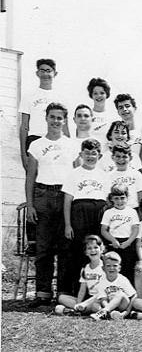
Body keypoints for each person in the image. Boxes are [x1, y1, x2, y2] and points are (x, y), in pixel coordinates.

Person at [24, 102, 73, 307]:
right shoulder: (36, 145)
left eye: (59, 118)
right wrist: (30, 204)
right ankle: (43, 292)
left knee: (64, 246)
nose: (55, 121)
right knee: (43, 247)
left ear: (64, 120)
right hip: (43, 195)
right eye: (52, 117)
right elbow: (30, 176)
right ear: (46, 118)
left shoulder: (72, 144)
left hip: (64, 195)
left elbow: (77, 174)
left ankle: (63, 291)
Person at [63, 138, 110, 296]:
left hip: (98, 213)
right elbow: (68, 200)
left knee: (97, 250)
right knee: (79, 251)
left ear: (100, 156)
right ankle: (76, 292)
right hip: (79, 212)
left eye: (94, 153)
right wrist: (68, 225)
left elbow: (108, 200)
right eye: (87, 153)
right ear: (81, 154)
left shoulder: (104, 175)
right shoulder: (74, 174)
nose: (90, 156)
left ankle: (96, 291)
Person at [54, 235, 105, 316]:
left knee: (96, 307)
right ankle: (78, 310)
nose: (93, 250)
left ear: (102, 249)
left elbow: (104, 291)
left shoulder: (105, 267)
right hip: (88, 298)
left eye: (96, 247)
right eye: (89, 248)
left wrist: (84, 304)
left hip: (101, 299)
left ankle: (72, 311)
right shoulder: (85, 268)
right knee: (61, 298)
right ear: (86, 252)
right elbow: (82, 289)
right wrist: (78, 304)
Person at [100, 184, 140, 284]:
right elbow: (104, 230)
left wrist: (128, 242)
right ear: (111, 199)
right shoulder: (108, 212)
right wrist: (113, 240)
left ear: (127, 197)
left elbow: (135, 229)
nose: (119, 201)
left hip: (128, 242)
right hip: (114, 243)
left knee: (128, 269)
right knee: (113, 267)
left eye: (122, 198)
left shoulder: (132, 212)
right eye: (116, 198)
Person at [90, 251, 137, 321]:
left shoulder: (122, 279)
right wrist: (109, 308)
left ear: (119, 268)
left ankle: (104, 312)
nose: (111, 268)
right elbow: (103, 299)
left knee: (120, 294)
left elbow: (134, 295)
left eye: (115, 266)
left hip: (122, 304)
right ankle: (111, 314)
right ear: (103, 268)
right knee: (94, 306)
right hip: (109, 304)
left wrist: (127, 311)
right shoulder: (102, 281)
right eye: (108, 266)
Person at [87, 77, 116, 144]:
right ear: (91, 95)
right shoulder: (86, 115)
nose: (99, 96)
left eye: (102, 93)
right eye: (95, 93)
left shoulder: (113, 116)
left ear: (107, 94)